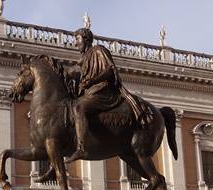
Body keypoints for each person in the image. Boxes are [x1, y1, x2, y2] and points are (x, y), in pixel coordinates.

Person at [64, 28, 153, 163]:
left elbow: (110, 70)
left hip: (103, 92)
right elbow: (73, 71)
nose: (76, 43)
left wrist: (93, 80)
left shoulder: (99, 50)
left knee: (78, 108)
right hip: (92, 93)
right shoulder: (84, 58)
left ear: (86, 38)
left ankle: (81, 147)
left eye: (77, 39)